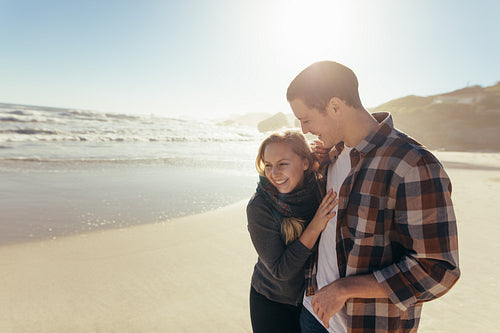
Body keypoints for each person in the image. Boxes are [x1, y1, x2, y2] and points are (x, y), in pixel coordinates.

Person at [286, 61, 460, 333]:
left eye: (306, 119)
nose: (304, 130)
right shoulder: (332, 155)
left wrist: (344, 289)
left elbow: (438, 270)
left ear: (335, 107)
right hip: (313, 315)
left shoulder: (412, 163)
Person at [247, 130, 339, 333]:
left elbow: (337, 157)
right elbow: (281, 271)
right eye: (268, 165)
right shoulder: (259, 206)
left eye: (283, 164)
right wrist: (314, 227)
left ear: (305, 163)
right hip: (272, 303)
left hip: (310, 301)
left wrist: (329, 152)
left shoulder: (318, 187)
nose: (274, 173)